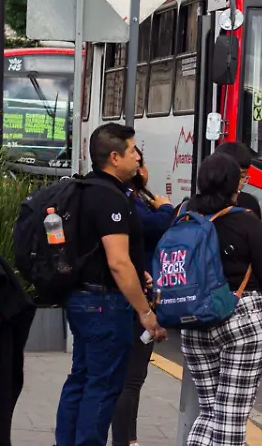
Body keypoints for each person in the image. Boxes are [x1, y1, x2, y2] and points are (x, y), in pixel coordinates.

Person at [55, 123, 167, 446]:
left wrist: (138, 272)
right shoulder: (112, 198)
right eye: (133, 151)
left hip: (81, 298)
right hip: (104, 304)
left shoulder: (84, 189)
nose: (138, 157)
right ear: (115, 157)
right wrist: (145, 312)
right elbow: (117, 262)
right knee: (102, 386)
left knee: (81, 379)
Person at [180, 153, 262, 446]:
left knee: (210, 412)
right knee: (230, 416)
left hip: (193, 319)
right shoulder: (245, 222)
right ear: (235, 187)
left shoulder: (182, 218)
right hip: (242, 320)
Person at [111, 148, 175, 446]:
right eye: (137, 159)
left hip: (127, 294)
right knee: (131, 378)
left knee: (128, 377)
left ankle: (129, 438)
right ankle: (126, 440)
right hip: (134, 295)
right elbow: (156, 226)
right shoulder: (128, 200)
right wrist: (166, 207)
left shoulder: (126, 196)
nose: (141, 165)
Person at [213, 141, 262, 217]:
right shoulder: (199, 206)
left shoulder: (249, 203)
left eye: (244, 177)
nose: (242, 182)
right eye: (240, 177)